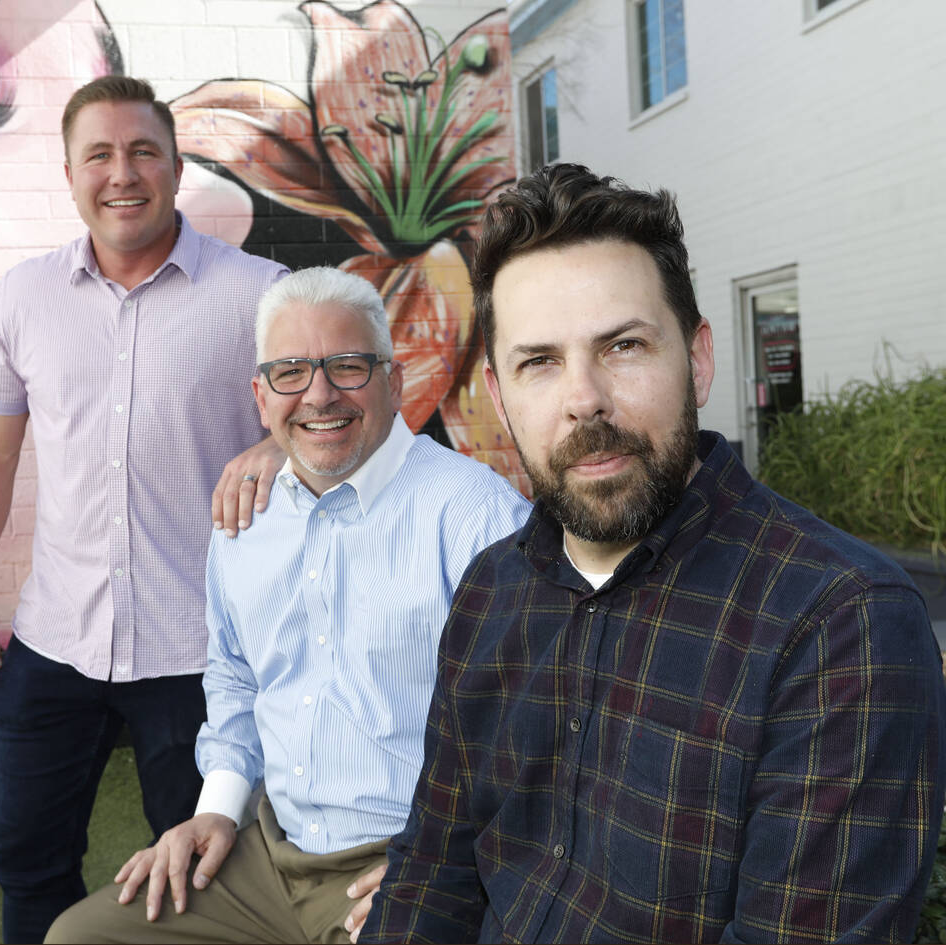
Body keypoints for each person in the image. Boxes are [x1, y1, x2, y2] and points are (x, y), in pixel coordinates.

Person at [362, 164, 946, 943]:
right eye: (539, 362)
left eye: (625, 345)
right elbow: (434, 868)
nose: (584, 398)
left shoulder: (842, 624)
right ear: (499, 400)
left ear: (697, 361)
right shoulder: (491, 589)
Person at [44, 267, 531, 945]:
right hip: (272, 854)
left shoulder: (476, 516)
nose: (320, 393)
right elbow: (237, 679)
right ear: (261, 394)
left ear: (394, 381)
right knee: (80, 937)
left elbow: (533, 722)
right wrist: (216, 810)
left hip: (408, 858)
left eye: (348, 366)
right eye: (291, 372)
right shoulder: (245, 521)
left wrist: (448, 866)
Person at [0, 75, 288, 944]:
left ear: (176, 169)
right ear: (70, 173)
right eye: (99, 153)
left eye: (143, 151)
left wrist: (281, 445)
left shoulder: (262, 292)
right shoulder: (25, 295)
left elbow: (349, 415)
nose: (121, 172)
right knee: (27, 858)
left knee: (209, 878)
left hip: (201, 650)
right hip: (56, 641)